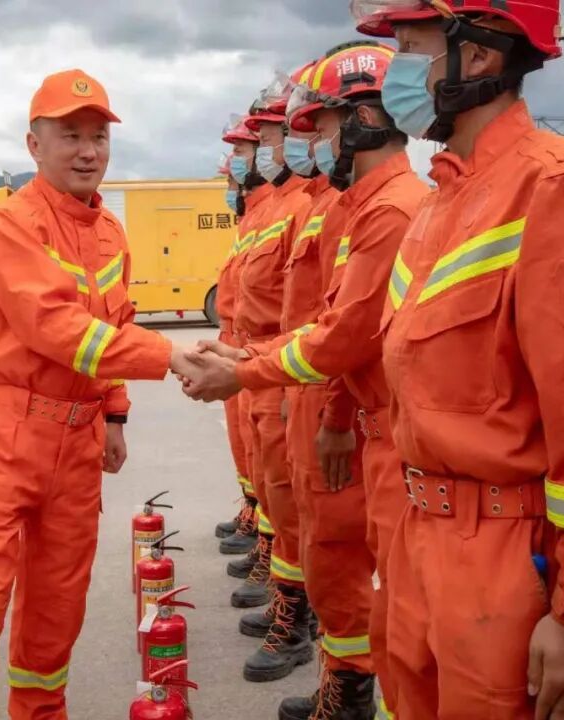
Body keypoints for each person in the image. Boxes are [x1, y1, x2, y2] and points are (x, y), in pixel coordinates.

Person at [345, 1, 564, 718]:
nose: (394, 74)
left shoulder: (563, 187)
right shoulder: (440, 205)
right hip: (419, 540)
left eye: (409, 47)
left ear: (478, 55)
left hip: (510, 564)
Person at [0, 69, 199, 720]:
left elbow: (114, 325)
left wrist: (115, 415)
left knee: (58, 605)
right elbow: (57, 327)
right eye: (70, 135)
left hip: (77, 442)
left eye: (99, 137)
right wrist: (172, 356)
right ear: (34, 145)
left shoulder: (111, 234)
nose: (88, 151)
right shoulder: (9, 225)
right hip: (2, 436)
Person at [186, 42, 428, 719]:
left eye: (319, 127)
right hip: (315, 394)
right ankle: (343, 683)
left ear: (364, 121)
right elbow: (324, 321)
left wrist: (250, 372)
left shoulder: (389, 209)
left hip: (359, 419)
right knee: (322, 547)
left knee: (352, 566)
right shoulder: (357, 206)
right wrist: (244, 359)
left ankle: (351, 691)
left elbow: (345, 335)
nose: (309, 143)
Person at [229, 75, 316, 684]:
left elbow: (307, 314)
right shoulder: (272, 208)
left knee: (297, 509)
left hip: (286, 373)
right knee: (275, 495)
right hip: (257, 365)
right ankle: (288, 598)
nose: (256, 152)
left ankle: (300, 619)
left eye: (264, 139)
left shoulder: (306, 206)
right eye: (252, 143)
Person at [214, 117, 267, 561]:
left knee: (272, 463)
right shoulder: (253, 218)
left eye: (242, 152)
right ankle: (254, 514)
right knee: (245, 445)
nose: (233, 168)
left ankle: (271, 543)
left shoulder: (282, 210)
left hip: (263, 350)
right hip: (240, 343)